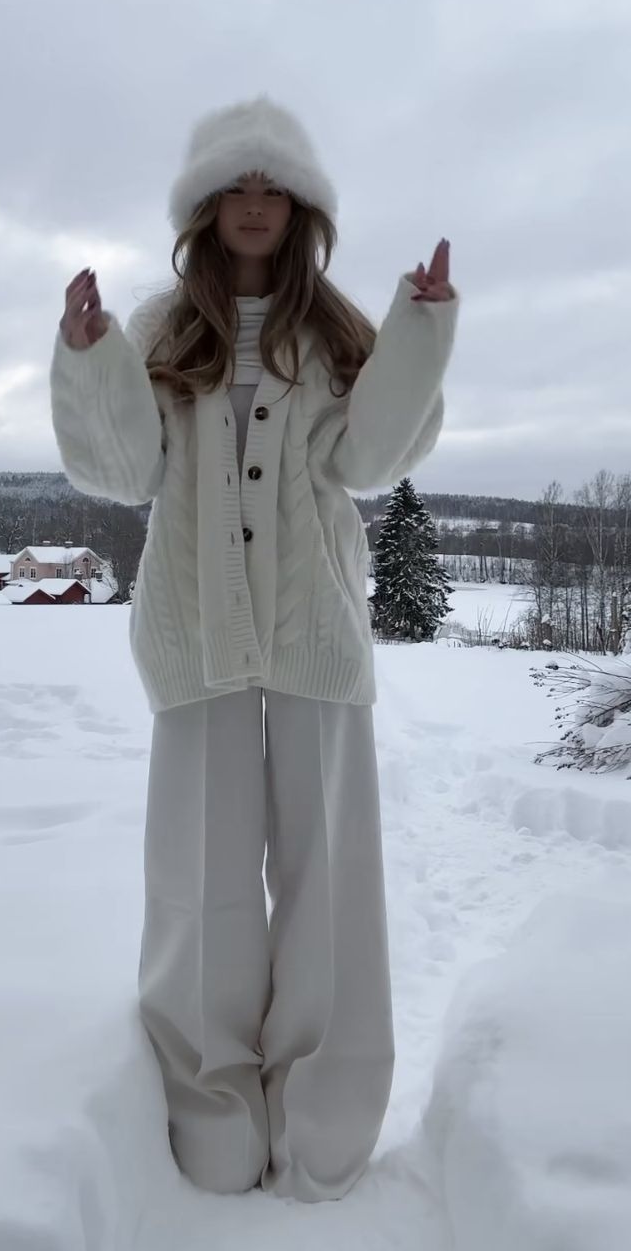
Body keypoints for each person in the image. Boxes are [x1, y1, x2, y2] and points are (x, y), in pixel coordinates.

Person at [50, 94, 459, 1203]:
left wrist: (418, 327)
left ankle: (325, 1123)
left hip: (316, 641)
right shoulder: (161, 329)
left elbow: (373, 454)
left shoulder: (330, 332)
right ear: (203, 205)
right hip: (193, 643)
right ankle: (212, 1114)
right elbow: (125, 469)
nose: (254, 203)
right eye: (236, 184)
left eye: (274, 186)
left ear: (303, 208)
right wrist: (89, 358)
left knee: (330, 884)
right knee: (200, 886)